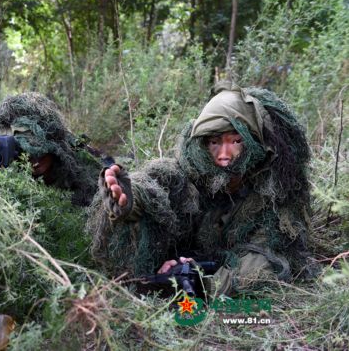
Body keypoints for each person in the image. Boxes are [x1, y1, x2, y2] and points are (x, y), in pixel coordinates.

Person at [86, 81, 314, 295]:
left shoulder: (274, 187)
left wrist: (200, 283)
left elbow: (265, 258)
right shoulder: (189, 170)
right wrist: (131, 202)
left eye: (236, 142)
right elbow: (157, 191)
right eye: (215, 142)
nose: (224, 156)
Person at [0, 92, 108, 206]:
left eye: (38, 149)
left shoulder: (77, 153)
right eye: (24, 151)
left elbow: (106, 166)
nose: (33, 159)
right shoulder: (10, 177)